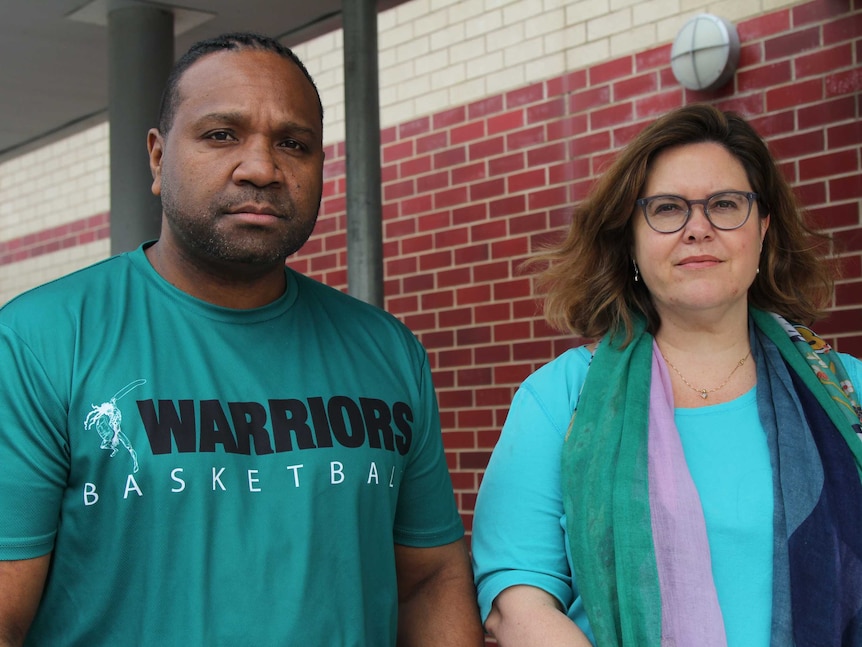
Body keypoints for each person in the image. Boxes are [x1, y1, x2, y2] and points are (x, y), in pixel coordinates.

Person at [0, 32, 483, 647]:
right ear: (156, 158)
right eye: (221, 134)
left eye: (293, 143)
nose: (261, 168)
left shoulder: (387, 351)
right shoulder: (40, 340)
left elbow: (429, 580)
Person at [472, 104, 862, 646]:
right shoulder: (560, 398)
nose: (697, 229)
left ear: (764, 227)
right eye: (667, 208)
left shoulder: (848, 395)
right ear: (630, 237)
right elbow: (516, 599)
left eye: (725, 204)